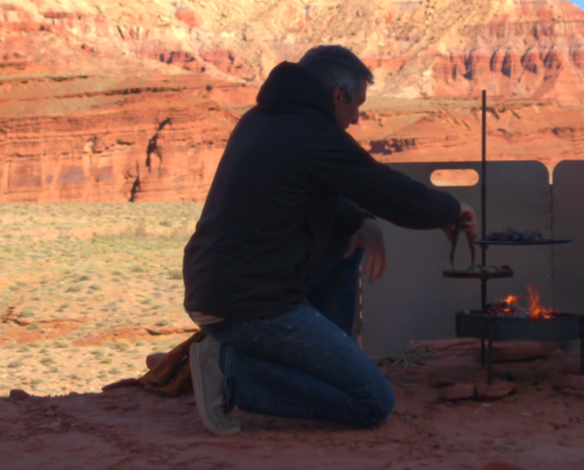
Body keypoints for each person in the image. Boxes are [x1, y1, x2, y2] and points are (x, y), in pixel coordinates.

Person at [182, 45, 477, 435]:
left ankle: (315, 362)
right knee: (372, 403)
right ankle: (232, 374)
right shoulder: (313, 134)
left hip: (220, 285)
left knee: (347, 241)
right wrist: (451, 211)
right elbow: (384, 188)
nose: (356, 118)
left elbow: (328, 195)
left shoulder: (263, 119)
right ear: (337, 95)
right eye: (356, 104)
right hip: (250, 303)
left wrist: (364, 223)